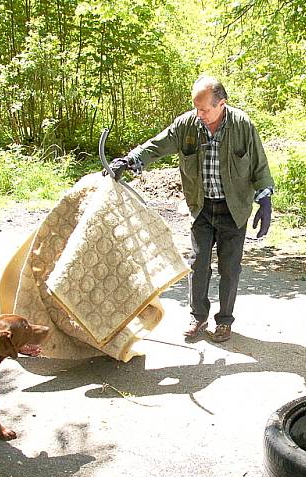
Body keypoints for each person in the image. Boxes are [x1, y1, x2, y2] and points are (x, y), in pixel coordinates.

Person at [107, 75, 274, 343]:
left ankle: (224, 321)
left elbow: (259, 165)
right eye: (197, 108)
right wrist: (130, 160)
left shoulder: (242, 125)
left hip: (234, 208)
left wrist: (264, 201)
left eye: (205, 109)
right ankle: (198, 317)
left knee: (230, 268)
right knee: (198, 264)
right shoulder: (187, 125)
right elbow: (158, 144)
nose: (200, 114)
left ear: (222, 104)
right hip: (202, 207)